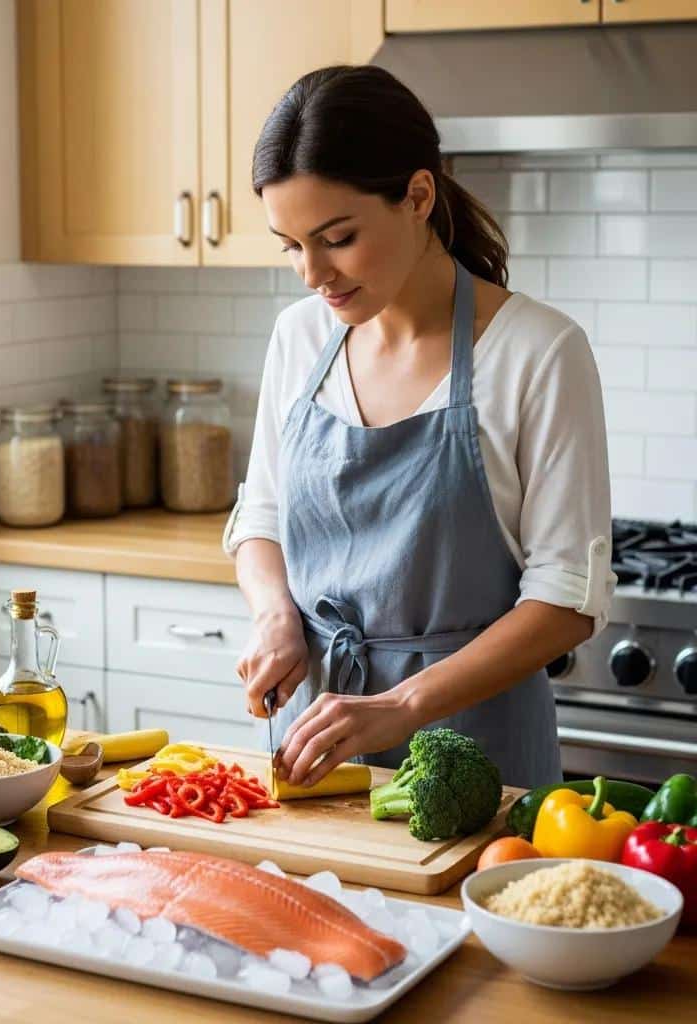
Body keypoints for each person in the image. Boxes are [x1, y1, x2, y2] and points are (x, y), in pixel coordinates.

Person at [224, 65, 615, 791]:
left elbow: (566, 602)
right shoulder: (298, 338)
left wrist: (401, 706)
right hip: (315, 748)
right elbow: (263, 515)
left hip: (478, 765)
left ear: (418, 197)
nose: (311, 273)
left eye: (336, 237)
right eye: (289, 244)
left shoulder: (539, 351)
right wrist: (276, 614)